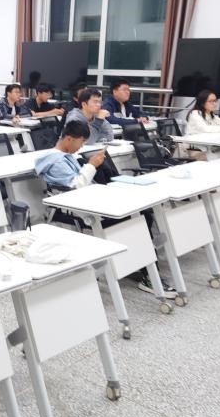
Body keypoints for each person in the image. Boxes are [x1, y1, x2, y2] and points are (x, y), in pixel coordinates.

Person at [35, 120, 175, 298]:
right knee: (138, 217)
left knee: (143, 213)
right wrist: (91, 165)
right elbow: (76, 186)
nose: (81, 146)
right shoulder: (56, 162)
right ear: (69, 139)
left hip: (89, 202)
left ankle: (139, 261)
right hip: (81, 210)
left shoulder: (64, 156)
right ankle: (147, 272)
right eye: (81, 142)